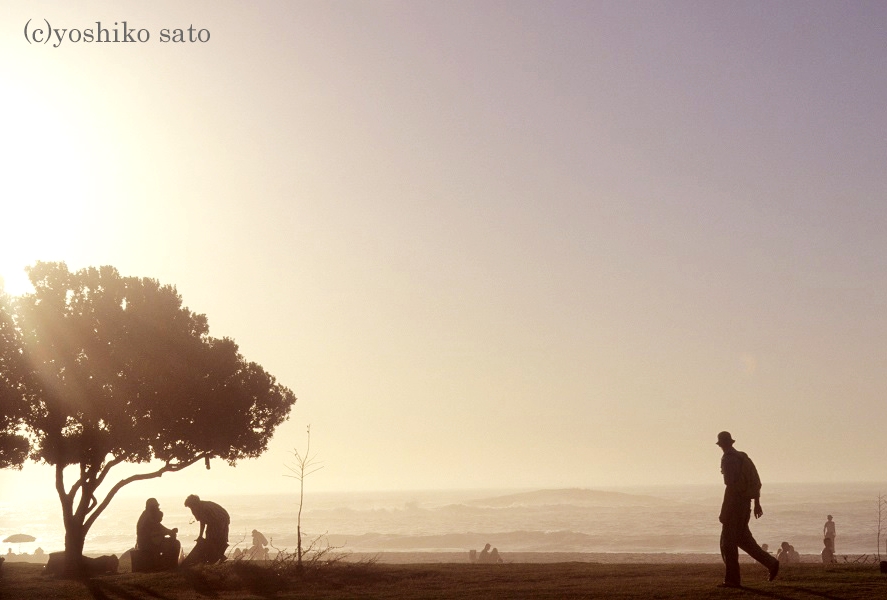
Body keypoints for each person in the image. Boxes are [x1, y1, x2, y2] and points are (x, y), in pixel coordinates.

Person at [716, 431, 780, 588]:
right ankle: (771, 563)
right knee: (744, 540)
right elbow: (756, 482)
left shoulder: (729, 459)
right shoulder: (743, 457)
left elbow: (730, 486)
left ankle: (732, 580)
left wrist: (725, 511)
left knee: (728, 543)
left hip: (734, 505)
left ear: (721, 444)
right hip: (745, 505)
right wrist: (756, 503)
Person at [135, 498, 180, 571]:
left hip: (150, 542)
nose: (157, 508)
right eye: (155, 506)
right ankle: (171, 565)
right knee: (175, 544)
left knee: (172, 543)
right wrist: (169, 532)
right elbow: (155, 532)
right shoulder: (148, 517)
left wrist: (170, 532)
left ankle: (170, 565)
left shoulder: (148, 516)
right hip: (147, 544)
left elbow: (160, 528)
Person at [184, 494, 230, 564]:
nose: (191, 509)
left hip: (220, 520)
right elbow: (203, 521)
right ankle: (219, 557)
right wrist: (200, 536)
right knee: (212, 538)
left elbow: (202, 522)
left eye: (191, 507)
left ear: (195, 504)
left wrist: (200, 536)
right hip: (218, 520)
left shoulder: (201, 508)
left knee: (212, 539)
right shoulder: (200, 505)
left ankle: (220, 556)